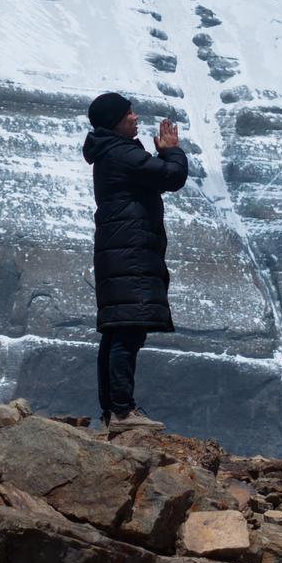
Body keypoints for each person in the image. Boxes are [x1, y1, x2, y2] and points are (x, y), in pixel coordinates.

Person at [82, 92, 188, 433]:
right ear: (115, 120)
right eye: (129, 113)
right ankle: (124, 411)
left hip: (120, 249)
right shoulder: (123, 153)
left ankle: (113, 411)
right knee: (127, 331)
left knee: (117, 330)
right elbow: (171, 177)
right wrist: (171, 150)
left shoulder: (110, 153)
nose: (135, 117)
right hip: (131, 251)